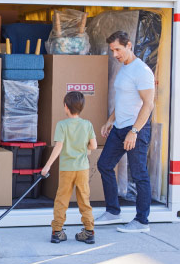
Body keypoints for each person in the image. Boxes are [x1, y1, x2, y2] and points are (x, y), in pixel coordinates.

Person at [94, 30, 155, 233]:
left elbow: (148, 105)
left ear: (129, 45)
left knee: (139, 175)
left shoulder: (142, 71)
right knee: (104, 165)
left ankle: (141, 221)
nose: (115, 54)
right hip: (119, 127)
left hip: (135, 128)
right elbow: (122, 101)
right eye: (112, 50)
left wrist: (135, 131)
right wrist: (110, 121)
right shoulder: (124, 68)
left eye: (117, 49)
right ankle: (113, 211)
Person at [41, 91, 97, 244]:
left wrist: (47, 166)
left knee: (61, 200)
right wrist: (85, 150)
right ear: (82, 108)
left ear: (66, 106)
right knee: (84, 199)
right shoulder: (87, 125)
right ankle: (89, 231)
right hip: (82, 169)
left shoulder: (62, 125)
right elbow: (94, 145)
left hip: (66, 169)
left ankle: (57, 231)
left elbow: (58, 147)